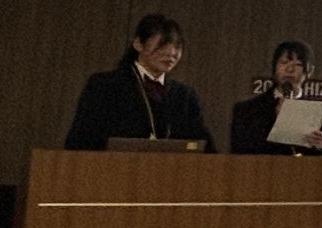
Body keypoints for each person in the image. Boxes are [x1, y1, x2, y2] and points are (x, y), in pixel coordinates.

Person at [65, 13, 215, 150]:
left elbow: (204, 147)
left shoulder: (184, 96)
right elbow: (81, 140)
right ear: (138, 44)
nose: (172, 53)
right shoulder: (105, 85)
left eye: (178, 47)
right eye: (162, 46)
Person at [230, 40, 322, 156]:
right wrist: (277, 120)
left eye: (298, 64)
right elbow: (239, 153)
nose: (289, 69)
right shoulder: (247, 109)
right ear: (274, 67)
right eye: (284, 62)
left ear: (309, 71)